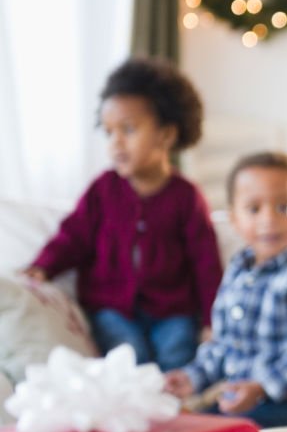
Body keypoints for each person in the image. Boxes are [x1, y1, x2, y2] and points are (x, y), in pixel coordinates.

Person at [23, 58, 221, 371]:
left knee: (178, 355)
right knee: (129, 358)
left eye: (128, 130)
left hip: (173, 311)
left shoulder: (186, 197)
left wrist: (212, 321)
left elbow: (206, 265)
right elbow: (72, 236)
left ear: (166, 136)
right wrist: (43, 266)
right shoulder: (102, 190)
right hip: (111, 308)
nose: (116, 142)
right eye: (109, 131)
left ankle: (179, 414)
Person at [165, 151, 287, 428]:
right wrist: (193, 376)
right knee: (192, 425)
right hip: (241, 399)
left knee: (223, 429)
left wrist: (261, 386)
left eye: (283, 207)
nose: (269, 219)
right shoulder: (237, 270)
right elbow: (223, 344)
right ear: (234, 219)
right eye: (254, 209)